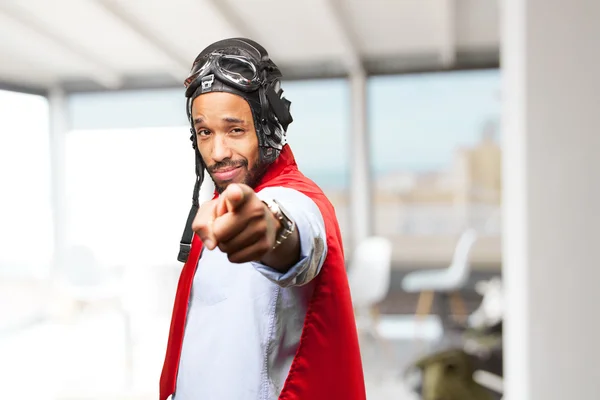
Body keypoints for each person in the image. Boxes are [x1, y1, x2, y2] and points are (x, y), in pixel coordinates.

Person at [160, 38, 365, 400]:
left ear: (268, 127)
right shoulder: (217, 205)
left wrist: (268, 230)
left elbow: (297, 234)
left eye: (235, 129)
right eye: (205, 132)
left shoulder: (295, 198)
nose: (218, 152)